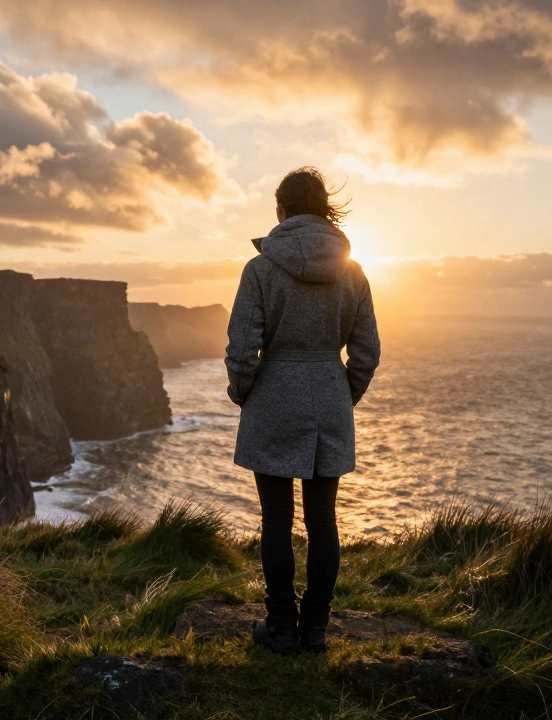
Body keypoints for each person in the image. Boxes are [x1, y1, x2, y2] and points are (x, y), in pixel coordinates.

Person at [225, 167, 381, 655]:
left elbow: (241, 348)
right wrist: (342, 396)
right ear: (324, 212)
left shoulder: (261, 269)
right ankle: (315, 629)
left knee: (275, 519)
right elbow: (367, 353)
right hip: (328, 397)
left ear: (282, 211)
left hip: (273, 398)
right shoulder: (353, 272)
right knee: (323, 520)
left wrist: (243, 392)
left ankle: (280, 628)